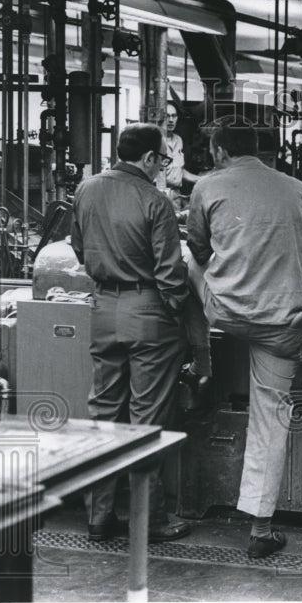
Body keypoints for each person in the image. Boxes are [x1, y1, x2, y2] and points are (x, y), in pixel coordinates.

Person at [186, 123, 302, 560]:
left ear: (220, 151)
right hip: (284, 320)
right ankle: (261, 528)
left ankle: (199, 360)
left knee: (188, 264)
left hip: (226, 313)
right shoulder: (299, 189)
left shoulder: (206, 186)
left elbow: (199, 251)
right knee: (271, 415)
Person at [70, 122, 192, 543]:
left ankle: (98, 518)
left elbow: (78, 247)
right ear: (147, 159)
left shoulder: (85, 189)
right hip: (148, 313)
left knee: (104, 417)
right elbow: (170, 274)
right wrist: (179, 316)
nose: (162, 166)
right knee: (145, 420)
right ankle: (150, 520)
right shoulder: (154, 201)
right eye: (162, 159)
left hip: (103, 309)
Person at [160, 103, 199, 210]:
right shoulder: (156, 141)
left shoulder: (178, 140)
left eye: (174, 116)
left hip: (176, 196)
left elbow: (178, 171)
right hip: (160, 195)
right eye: (167, 116)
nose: (171, 120)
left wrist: (200, 179)